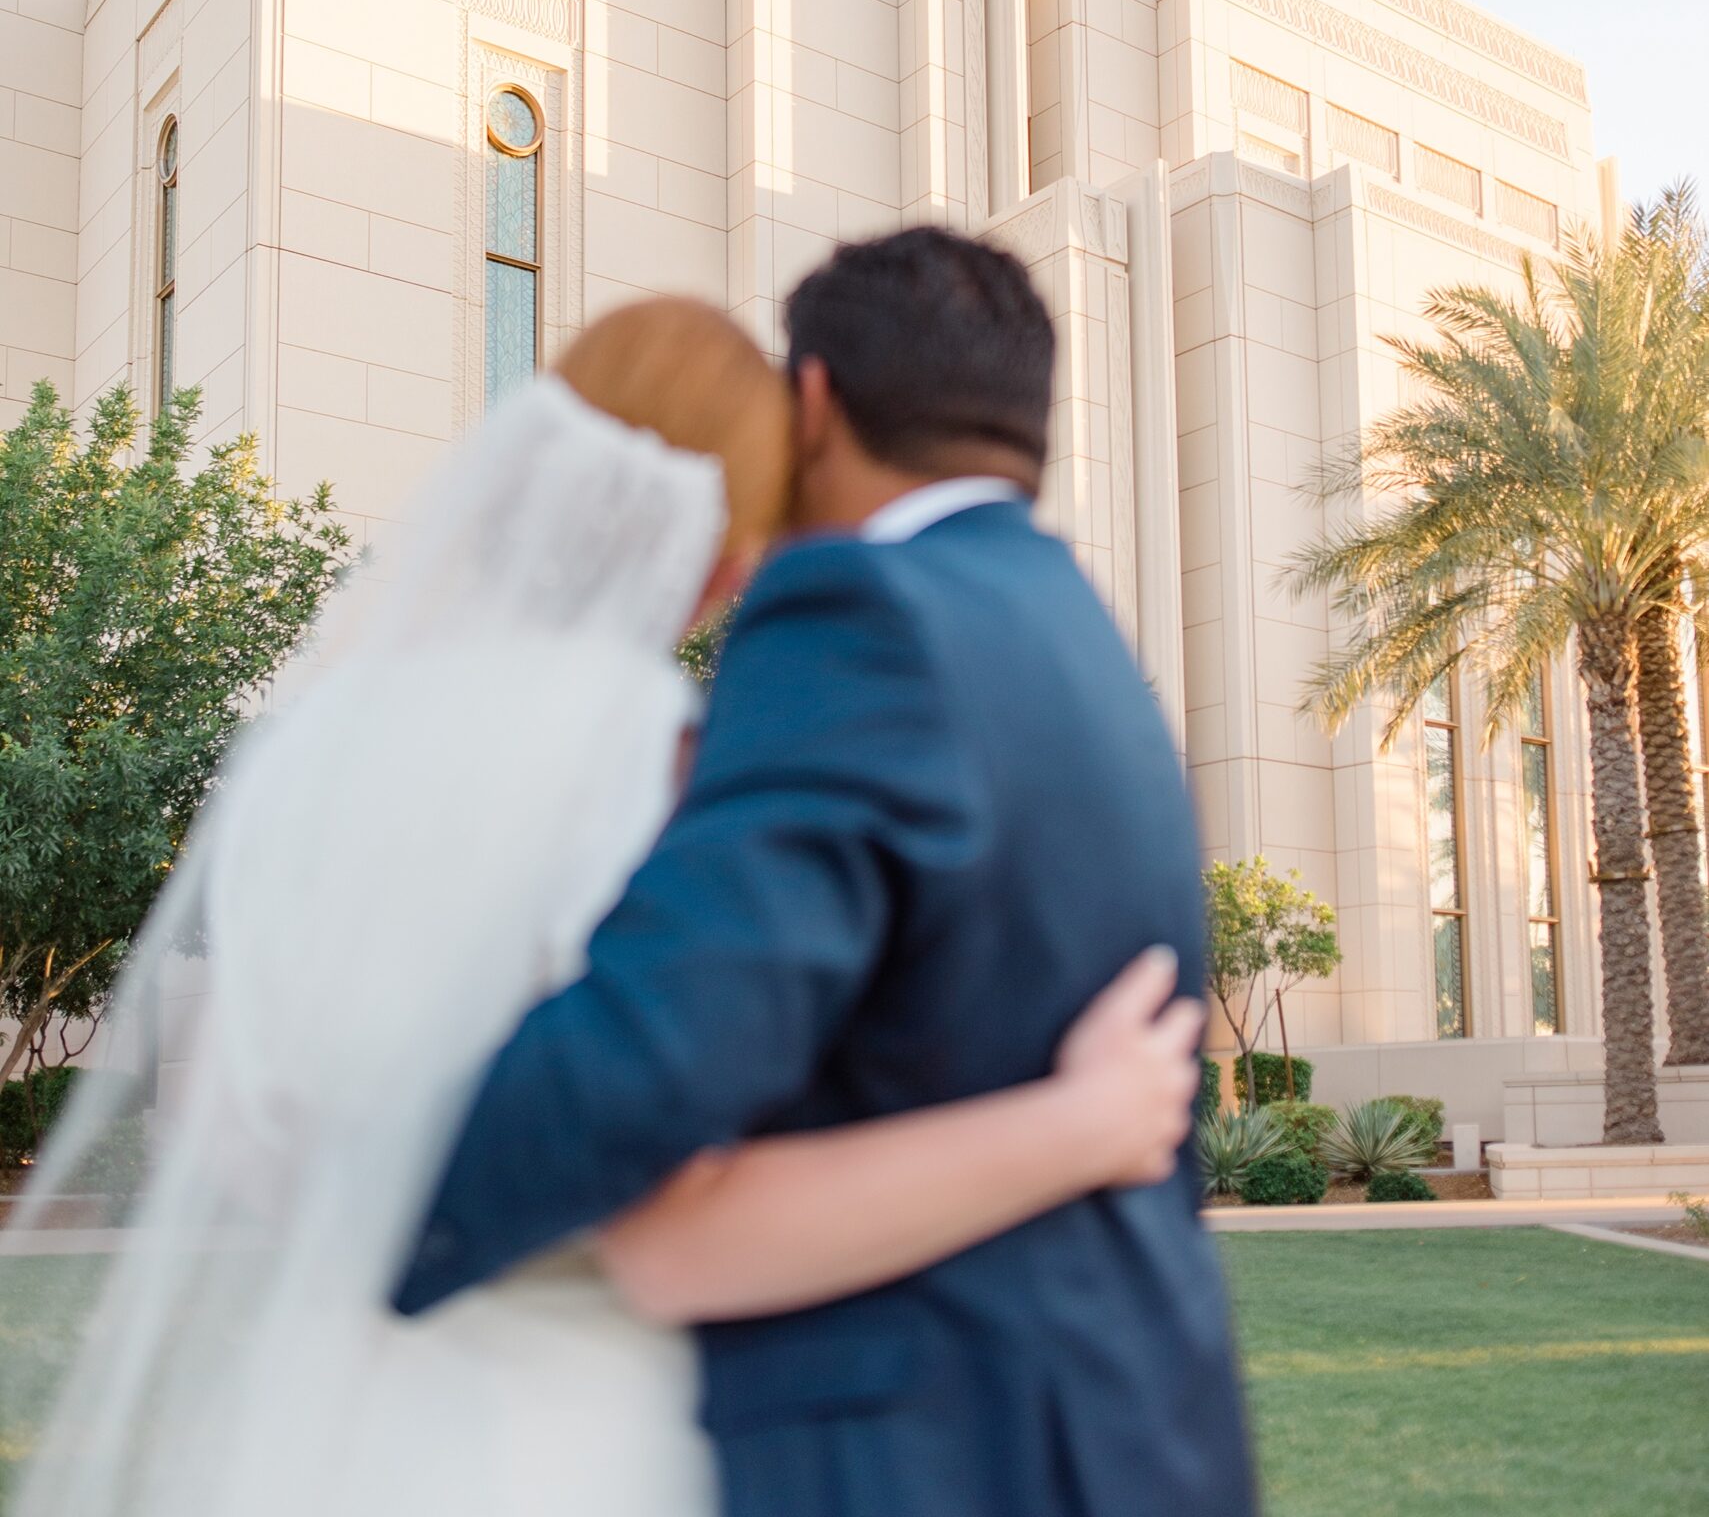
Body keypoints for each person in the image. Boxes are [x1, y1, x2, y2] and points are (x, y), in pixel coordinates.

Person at [0, 294, 1205, 1517]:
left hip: (315, 1426)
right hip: (576, 1437)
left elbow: (244, 1132)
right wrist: (1082, 1118)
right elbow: (669, 1207)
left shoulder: (302, 750)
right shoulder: (652, 752)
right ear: (732, 537)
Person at [396, 233, 1256, 1517]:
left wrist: (383, 1199)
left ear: (812, 401)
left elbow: (658, 1054)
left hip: (928, 1452)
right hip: (1139, 1422)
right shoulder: (1077, 633)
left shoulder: (860, 612)